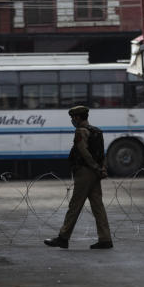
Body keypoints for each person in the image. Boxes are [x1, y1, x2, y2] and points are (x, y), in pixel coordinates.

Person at [44, 105, 113, 250]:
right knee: (98, 206)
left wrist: (94, 167)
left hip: (85, 173)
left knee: (74, 205)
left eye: (72, 118)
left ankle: (63, 238)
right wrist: (102, 169)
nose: (72, 120)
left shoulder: (80, 131)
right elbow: (101, 153)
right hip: (96, 173)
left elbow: (84, 152)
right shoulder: (97, 131)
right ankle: (105, 239)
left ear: (77, 117)